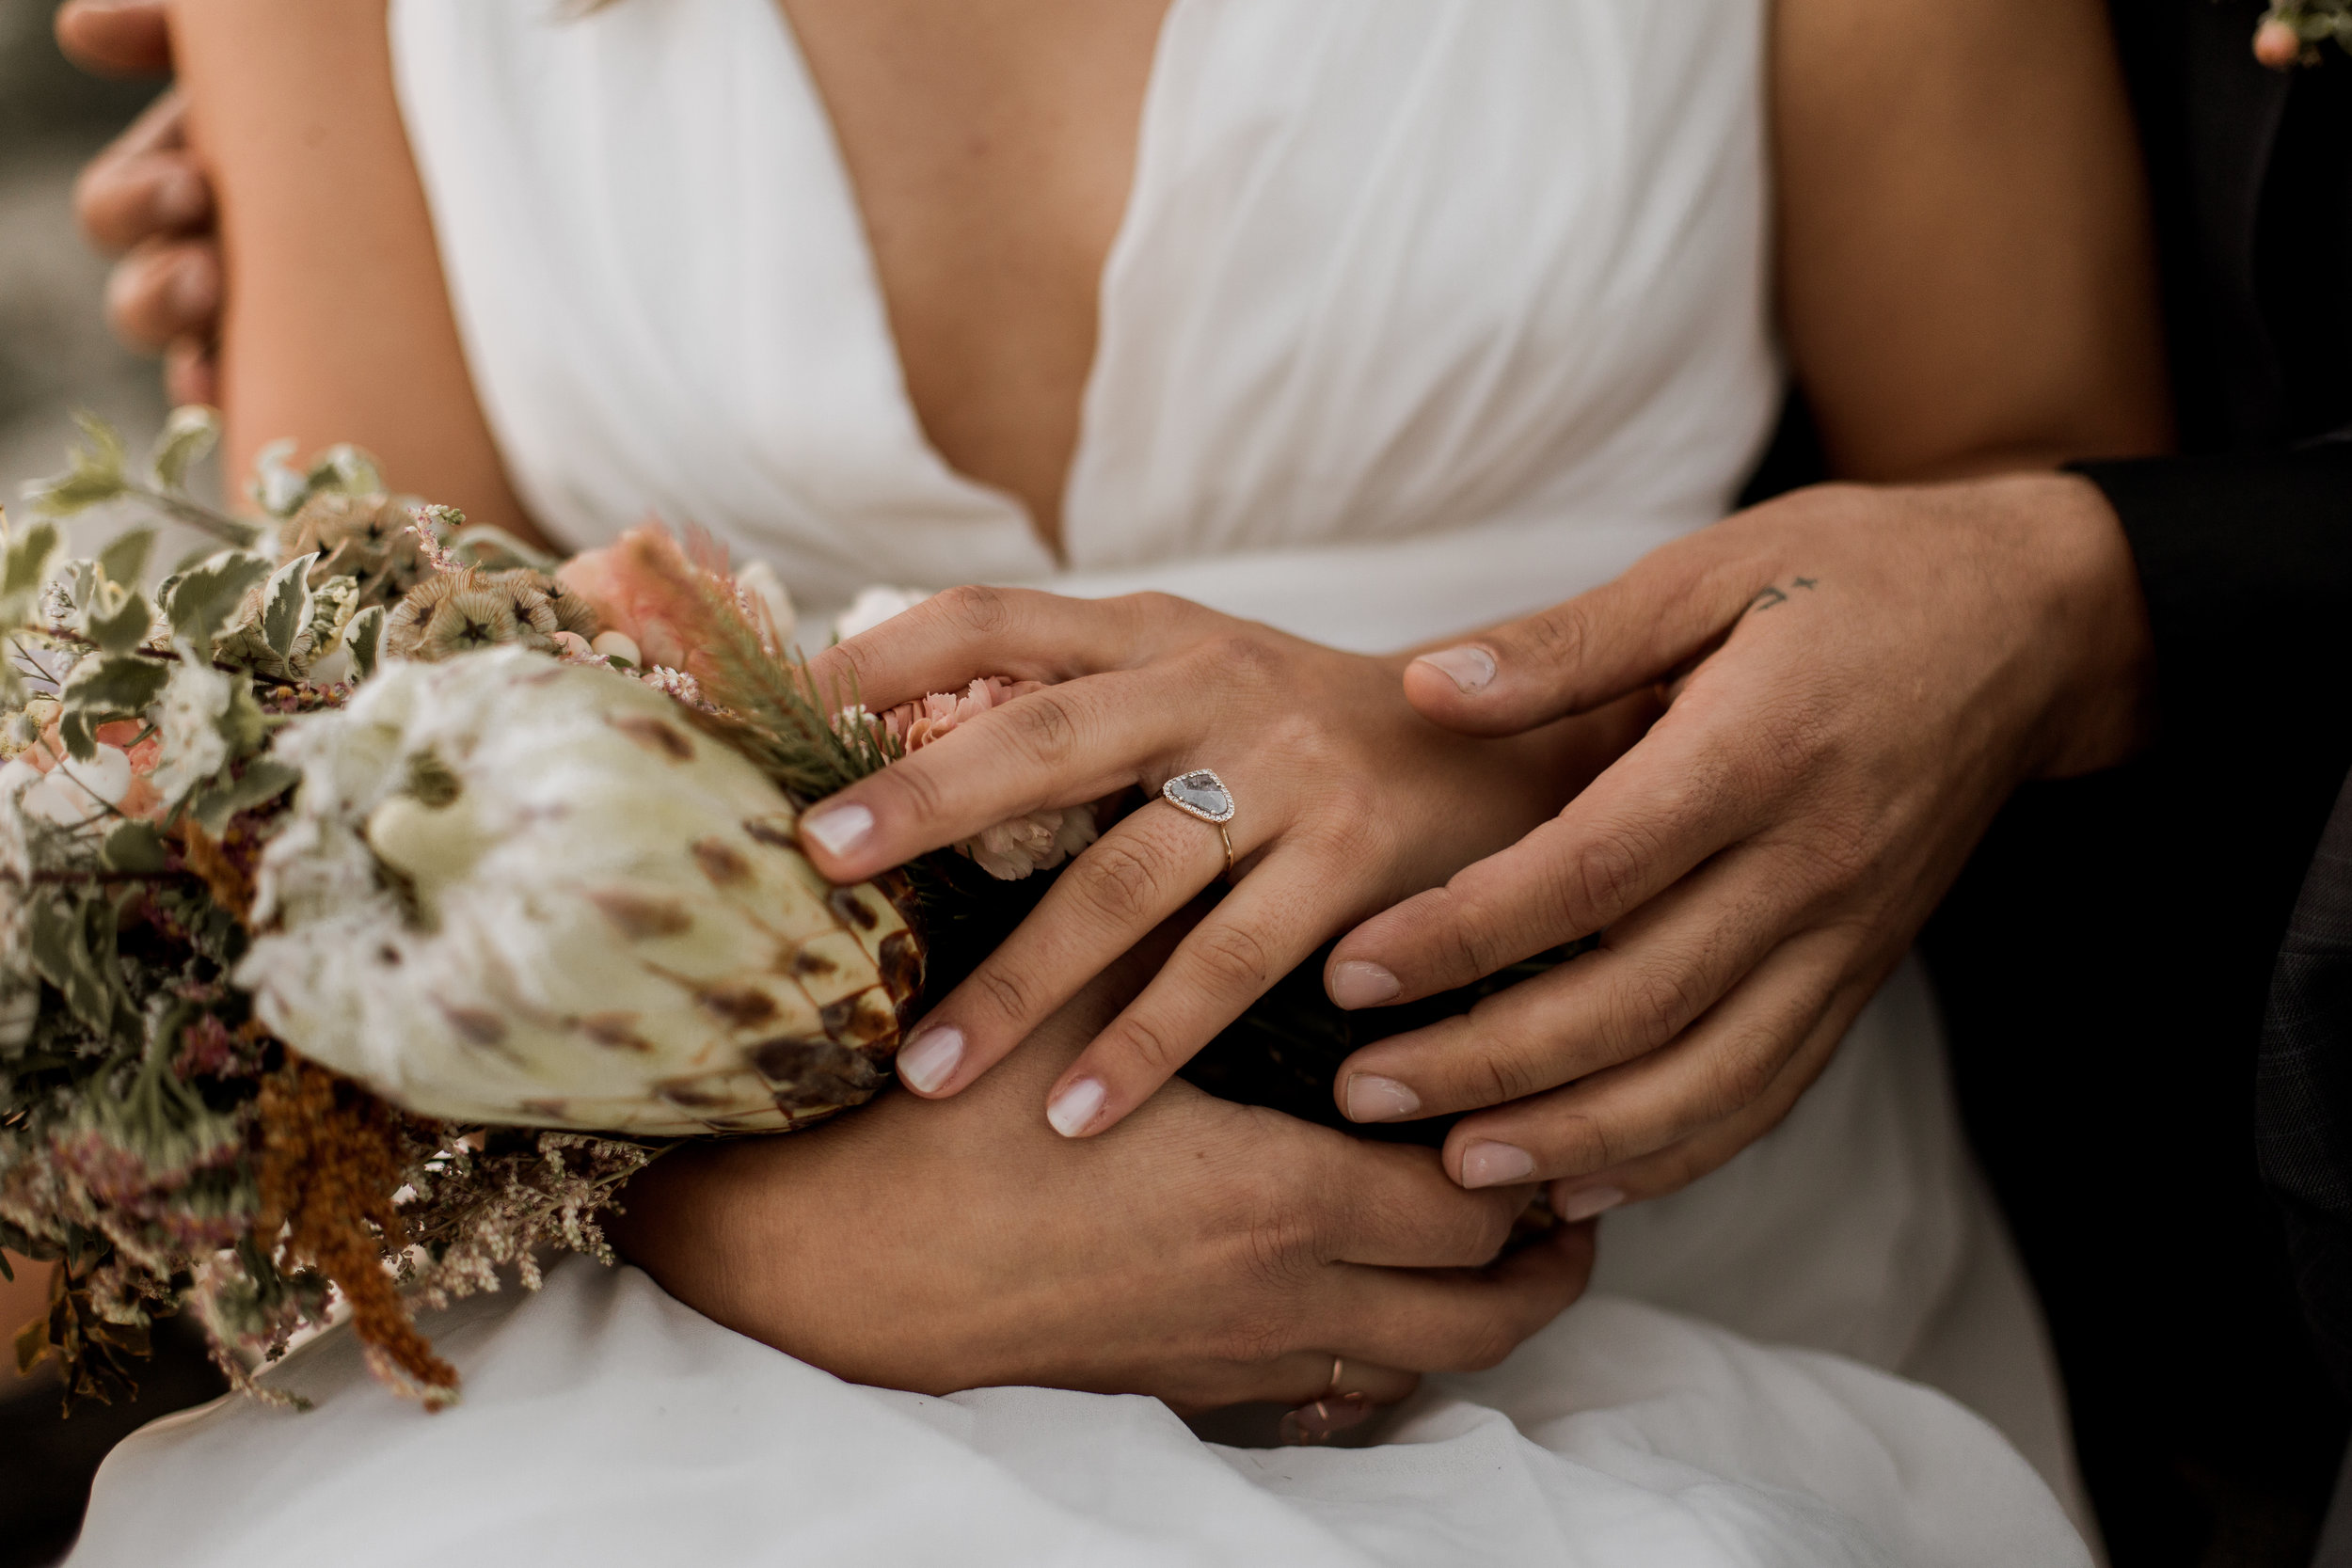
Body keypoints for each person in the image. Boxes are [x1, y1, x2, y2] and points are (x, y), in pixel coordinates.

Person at [52, 0, 2156, 1560]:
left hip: (1640, 1192)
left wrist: (1519, 751)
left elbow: (2027, 575)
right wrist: (745, 1225)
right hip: (697, 1266)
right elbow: (385, 760)